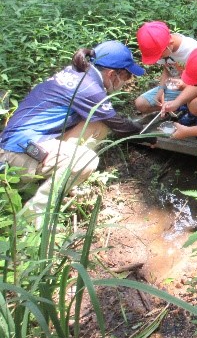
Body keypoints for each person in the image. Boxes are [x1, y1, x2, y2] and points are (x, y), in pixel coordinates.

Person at [0, 41, 150, 227]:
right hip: (17, 152)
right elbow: (120, 125)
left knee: (98, 124)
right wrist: (152, 136)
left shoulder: (77, 73)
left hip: (23, 141)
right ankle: (32, 219)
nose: (127, 82)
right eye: (127, 77)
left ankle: (59, 176)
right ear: (112, 74)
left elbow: (107, 119)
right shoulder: (89, 88)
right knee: (85, 160)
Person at [134, 21, 197, 125]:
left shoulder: (193, 50)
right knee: (141, 103)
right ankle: (177, 110)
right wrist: (161, 90)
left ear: (170, 43)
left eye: (159, 55)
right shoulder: (162, 49)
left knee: (196, 105)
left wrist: (177, 102)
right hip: (177, 86)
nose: (158, 58)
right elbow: (167, 70)